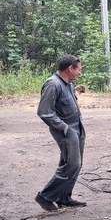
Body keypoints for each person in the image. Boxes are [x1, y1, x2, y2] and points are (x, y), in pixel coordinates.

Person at [35, 54, 87, 211]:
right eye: (78, 69)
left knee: (74, 164)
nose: (80, 73)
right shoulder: (52, 84)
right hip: (66, 130)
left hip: (77, 127)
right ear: (70, 68)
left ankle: (64, 197)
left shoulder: (69, 83)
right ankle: (44, 196)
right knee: (72, 164)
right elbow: (45, 112)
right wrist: (65, 128)